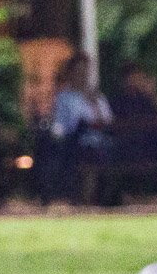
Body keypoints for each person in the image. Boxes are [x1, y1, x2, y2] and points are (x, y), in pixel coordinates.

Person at [45, 52, 113, 204]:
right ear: (71, 73)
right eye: (78, 71)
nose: (82, 75)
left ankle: (96, 198)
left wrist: (94, 104)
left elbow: (108, 120)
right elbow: (60, 124)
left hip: (99, 140)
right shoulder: (64, 98)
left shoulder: (98, 97)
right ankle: (80, 198)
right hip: (74, 142)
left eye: (85, 71)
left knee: (101, 152)